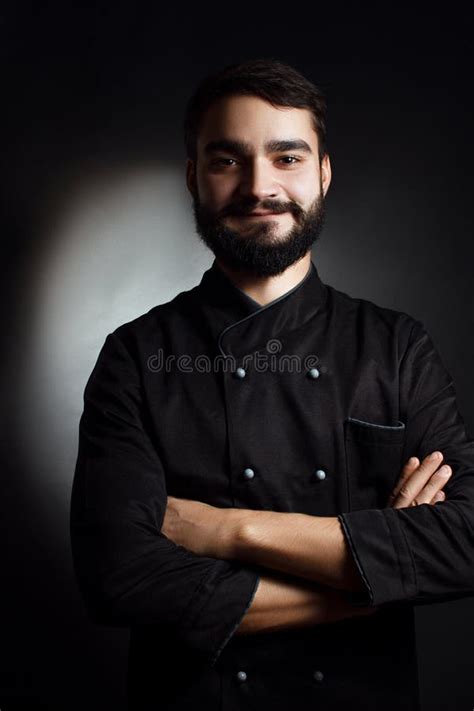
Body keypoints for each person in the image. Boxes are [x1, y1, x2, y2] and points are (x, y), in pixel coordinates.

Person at [70, 58, 474, 711]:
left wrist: (228, 531)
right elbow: (119, 576)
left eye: (287, 158)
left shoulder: (398, 346)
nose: (260, 186)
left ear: (324, 173)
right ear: (193, 177)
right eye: (228, 160)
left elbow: (466, 540)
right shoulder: (135, 356)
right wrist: (376, 574)